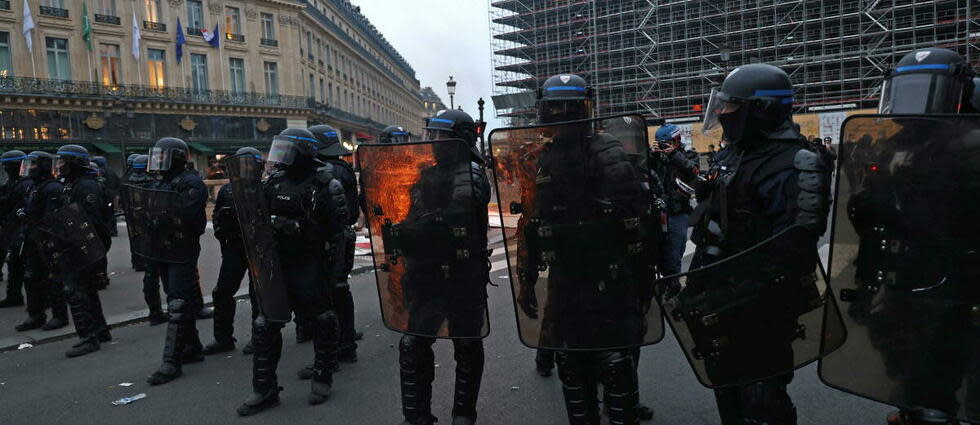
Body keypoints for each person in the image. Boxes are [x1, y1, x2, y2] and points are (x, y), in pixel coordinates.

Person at [819, 48, 980, 425]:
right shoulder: (903, 149)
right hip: (914, 280)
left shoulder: (970, 149)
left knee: (949, 389)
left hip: (958, 288)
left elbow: (951, 224)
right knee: (913, 378)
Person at [507, 74, 660, 425]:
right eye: (555, 110)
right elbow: (532, 223)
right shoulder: (544, 159)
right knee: (574, 366)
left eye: (566, 110)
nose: (561, 117)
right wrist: (527, 278)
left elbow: (636, 224)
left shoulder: (607, 153)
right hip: (570, 278)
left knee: (615, 363)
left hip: (609, 276)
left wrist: (642, 282)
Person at [691, 63, 832, 424]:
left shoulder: (796, 163)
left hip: (761, 306)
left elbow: (794, 248)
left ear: (761, 110)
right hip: (720, 300)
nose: (722, 113)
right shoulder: (734, 154)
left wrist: (739, 289)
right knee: (727, 390)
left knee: (761, 400)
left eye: (731, 106)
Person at [365, 109, 490, 425]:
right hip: (427, 274)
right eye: (430, 134)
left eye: (438, 135)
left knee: (466, 345)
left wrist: (412, 232)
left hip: (461, 274)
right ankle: (416, 415)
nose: (431, 141)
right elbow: (416, 216)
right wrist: (397, 233)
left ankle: (464, 413)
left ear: (457, 140)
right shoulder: (427, 175)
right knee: (413, 344)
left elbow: (453, 221)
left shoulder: (471, 174)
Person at [237, 128, 348, 415]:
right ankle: (264, 388)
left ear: (303, 152)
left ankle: (322, 377)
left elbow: (339, 234)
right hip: (280, 264)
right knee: (265, 324)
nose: (280, 156)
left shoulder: (326, 184)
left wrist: (335, 274)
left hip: (311, 263)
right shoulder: (274, 182)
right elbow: (256, 220)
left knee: (322, 319)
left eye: (288, 150)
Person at [144, 137, 208, 385]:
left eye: (163, 156)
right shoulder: (161, 181)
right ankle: (192, 347)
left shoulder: (190, 182)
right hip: (162, 248)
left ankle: (171, 362)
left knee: (178, 302)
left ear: (177, 157)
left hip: (181, 249)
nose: (158, 160)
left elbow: (189, 219)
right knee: (179, 297)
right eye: (157, 155)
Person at [54, 145, 114, 357]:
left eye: (63, 161)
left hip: (84, 246)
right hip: (79, 244)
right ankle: (100, 330)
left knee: (76, 290)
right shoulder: (74, 185)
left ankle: (88, 337)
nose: (59, 165)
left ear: (74, 163)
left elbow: (91, 221)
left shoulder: (86, 187)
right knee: (87, 289)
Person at [202, 147, 263, 356]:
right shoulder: (228, 191)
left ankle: (260, 336)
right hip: (234, 249)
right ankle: (223, 338)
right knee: (222, 292)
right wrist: (223, 234)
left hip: (258, 249)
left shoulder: (264, 189)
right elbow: (218, 217)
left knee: (259, 295)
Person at [308, 124, 360, 364]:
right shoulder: (344, 168)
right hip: (344, 236)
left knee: (329, 294)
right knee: (339, 289)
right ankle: (346, 339)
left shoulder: (326, 171)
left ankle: (338, 346)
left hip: (329, 239)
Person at [15, 151, 69, 332]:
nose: (29, 168)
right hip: (32, 238)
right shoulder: (34, 186)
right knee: (31, 278)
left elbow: (51, 216)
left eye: (33, 165)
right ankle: (36, 315)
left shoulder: (52, 188)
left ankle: (59, 316)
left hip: (47, 239)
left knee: (53, 279)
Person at [652, 124, 700, 278]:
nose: (668, 146)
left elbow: (694, 170)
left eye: (672, 142)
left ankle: (672, 288)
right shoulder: (657, 157)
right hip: (658, 211)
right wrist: (651, 155)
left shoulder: (688, 154)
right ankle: (665, 286)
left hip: (678, 211)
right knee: (659, 253)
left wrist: (673, 155)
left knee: (676, 253)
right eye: (665, 143)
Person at [0, 150, 28, 308]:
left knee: (27, 267)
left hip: (21, 230)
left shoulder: (24, 184)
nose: (4, 169)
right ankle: (14, 295)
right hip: (12, 229)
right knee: (14, 264)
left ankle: (42, 301)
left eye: (6, 166)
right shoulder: (12, 183)